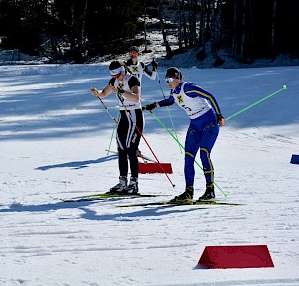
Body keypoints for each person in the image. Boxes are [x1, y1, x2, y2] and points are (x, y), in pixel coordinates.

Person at [142, 67, 225, 202]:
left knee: (204, 154)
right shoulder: (174, 91)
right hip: (194, 125)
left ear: (177, 78)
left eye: (170, 79)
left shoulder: (188, 88)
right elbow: (169, 101)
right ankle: (188, 192)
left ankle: (210, 191)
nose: (168, 82)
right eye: (166, 80)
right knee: (188, 157)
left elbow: (209, 96)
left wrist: (219, 114)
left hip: (209, 122)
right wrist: (154, 105)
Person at [90, 60, 143, 194]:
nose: (116, 77)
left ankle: (134, 183)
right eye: (113, 76)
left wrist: (120, 92)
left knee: (131, 149)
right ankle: (122, 182)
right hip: (123, 115)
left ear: (123, 70)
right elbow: (104, 93)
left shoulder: (132, 79)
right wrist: (97, 93)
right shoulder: (114, 81)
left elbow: (136, 98)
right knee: (121, 149)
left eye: (118, 74)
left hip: (134, 115)